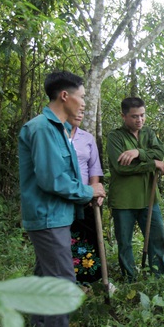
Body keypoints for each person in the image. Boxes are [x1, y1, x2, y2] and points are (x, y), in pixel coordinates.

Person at [18, 71, 105, 327]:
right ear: (64, 96)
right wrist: (88, 191)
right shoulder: (43, 129)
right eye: (81, 97)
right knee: (63, 282)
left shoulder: (59, 129)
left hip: (56, 215)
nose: (83, 104)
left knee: (45, 275)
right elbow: (52, 180)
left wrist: (88, 192)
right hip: (47, 216)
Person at [107, 97, 164, 282]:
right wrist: (152, 164)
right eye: (134, 116)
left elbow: (160, 153)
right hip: (124, 199)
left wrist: (138, 153)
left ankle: (159, 277)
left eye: (142, 115)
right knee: (124, 241)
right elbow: (121, 168)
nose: (139, 120)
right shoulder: (115, 136)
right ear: (123, 116)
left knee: (157, 237)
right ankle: (130, 278)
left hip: (149, 197)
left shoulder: (148, 133)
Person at [69, 112, 104, 283]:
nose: (79, 115)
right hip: (64, 199)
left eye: (82, 112)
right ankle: (69, 280)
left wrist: (94, 191)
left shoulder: (87, 138)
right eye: (75, 111)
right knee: (69, 240)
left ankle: (90, 281)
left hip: (85, 199)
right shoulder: (56, 137)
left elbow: (94, 168)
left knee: (88, 240)